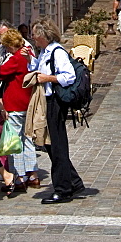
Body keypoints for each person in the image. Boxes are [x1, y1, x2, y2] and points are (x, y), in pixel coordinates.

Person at [31, 19, 86, 204]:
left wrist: (48, 78)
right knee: (49, 144)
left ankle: (63, 189)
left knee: (57, 144)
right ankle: (73, 181)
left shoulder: (57, 52)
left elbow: (68, 76)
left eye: (35, 34)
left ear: (42, 35)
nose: (33, 38)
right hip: (46, 101)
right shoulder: (44, 52)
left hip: (55, 101)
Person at [0, 28, 39, 191]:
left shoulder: (16, 58)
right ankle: (33, 174)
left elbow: (1, 72)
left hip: (15, 103)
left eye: (7, 46)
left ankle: (20, 176)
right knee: (27, 138)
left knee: (15, 141)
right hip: (28, 102)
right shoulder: (29, 53)